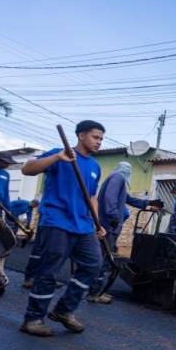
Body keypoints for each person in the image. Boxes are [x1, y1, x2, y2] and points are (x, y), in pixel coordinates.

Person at [19, 120, 106, 337]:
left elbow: (92, 196)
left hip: (84, 225)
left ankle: (64, 311)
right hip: (57, 221)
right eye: (96, 137)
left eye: (101, 139)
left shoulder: (95, 166)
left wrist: (98, 222)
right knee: (49, 271)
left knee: (93, 264)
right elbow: (27, 169)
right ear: (81, 135)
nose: (99, 142)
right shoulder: (59, 154)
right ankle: (33, 319)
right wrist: (58, 157)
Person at [88, 161, 162, 304]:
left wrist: (148, 204)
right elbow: (110, 199)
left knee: (105, 258)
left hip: (109, 225)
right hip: (109, 226)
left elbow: (128, 199)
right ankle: (94, 293)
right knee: (105, 259)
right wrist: (114, 217)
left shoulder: (115, 179)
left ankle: (97, 291)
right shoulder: (118, 178)